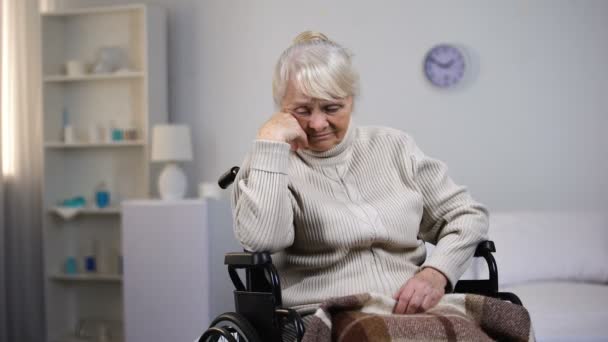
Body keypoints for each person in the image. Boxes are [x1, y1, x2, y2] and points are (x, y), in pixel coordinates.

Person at [231, 31, 489, 319]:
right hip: (331, 316)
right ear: (282, 107)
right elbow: (262, 240)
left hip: (415, 311)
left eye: (332, 108)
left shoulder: (395, 147)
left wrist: (436, 272)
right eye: (302, 110)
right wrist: (269, 143)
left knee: (505, 324)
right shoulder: (270, 162)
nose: (317, 124)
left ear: (351, 100)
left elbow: (467, 215)